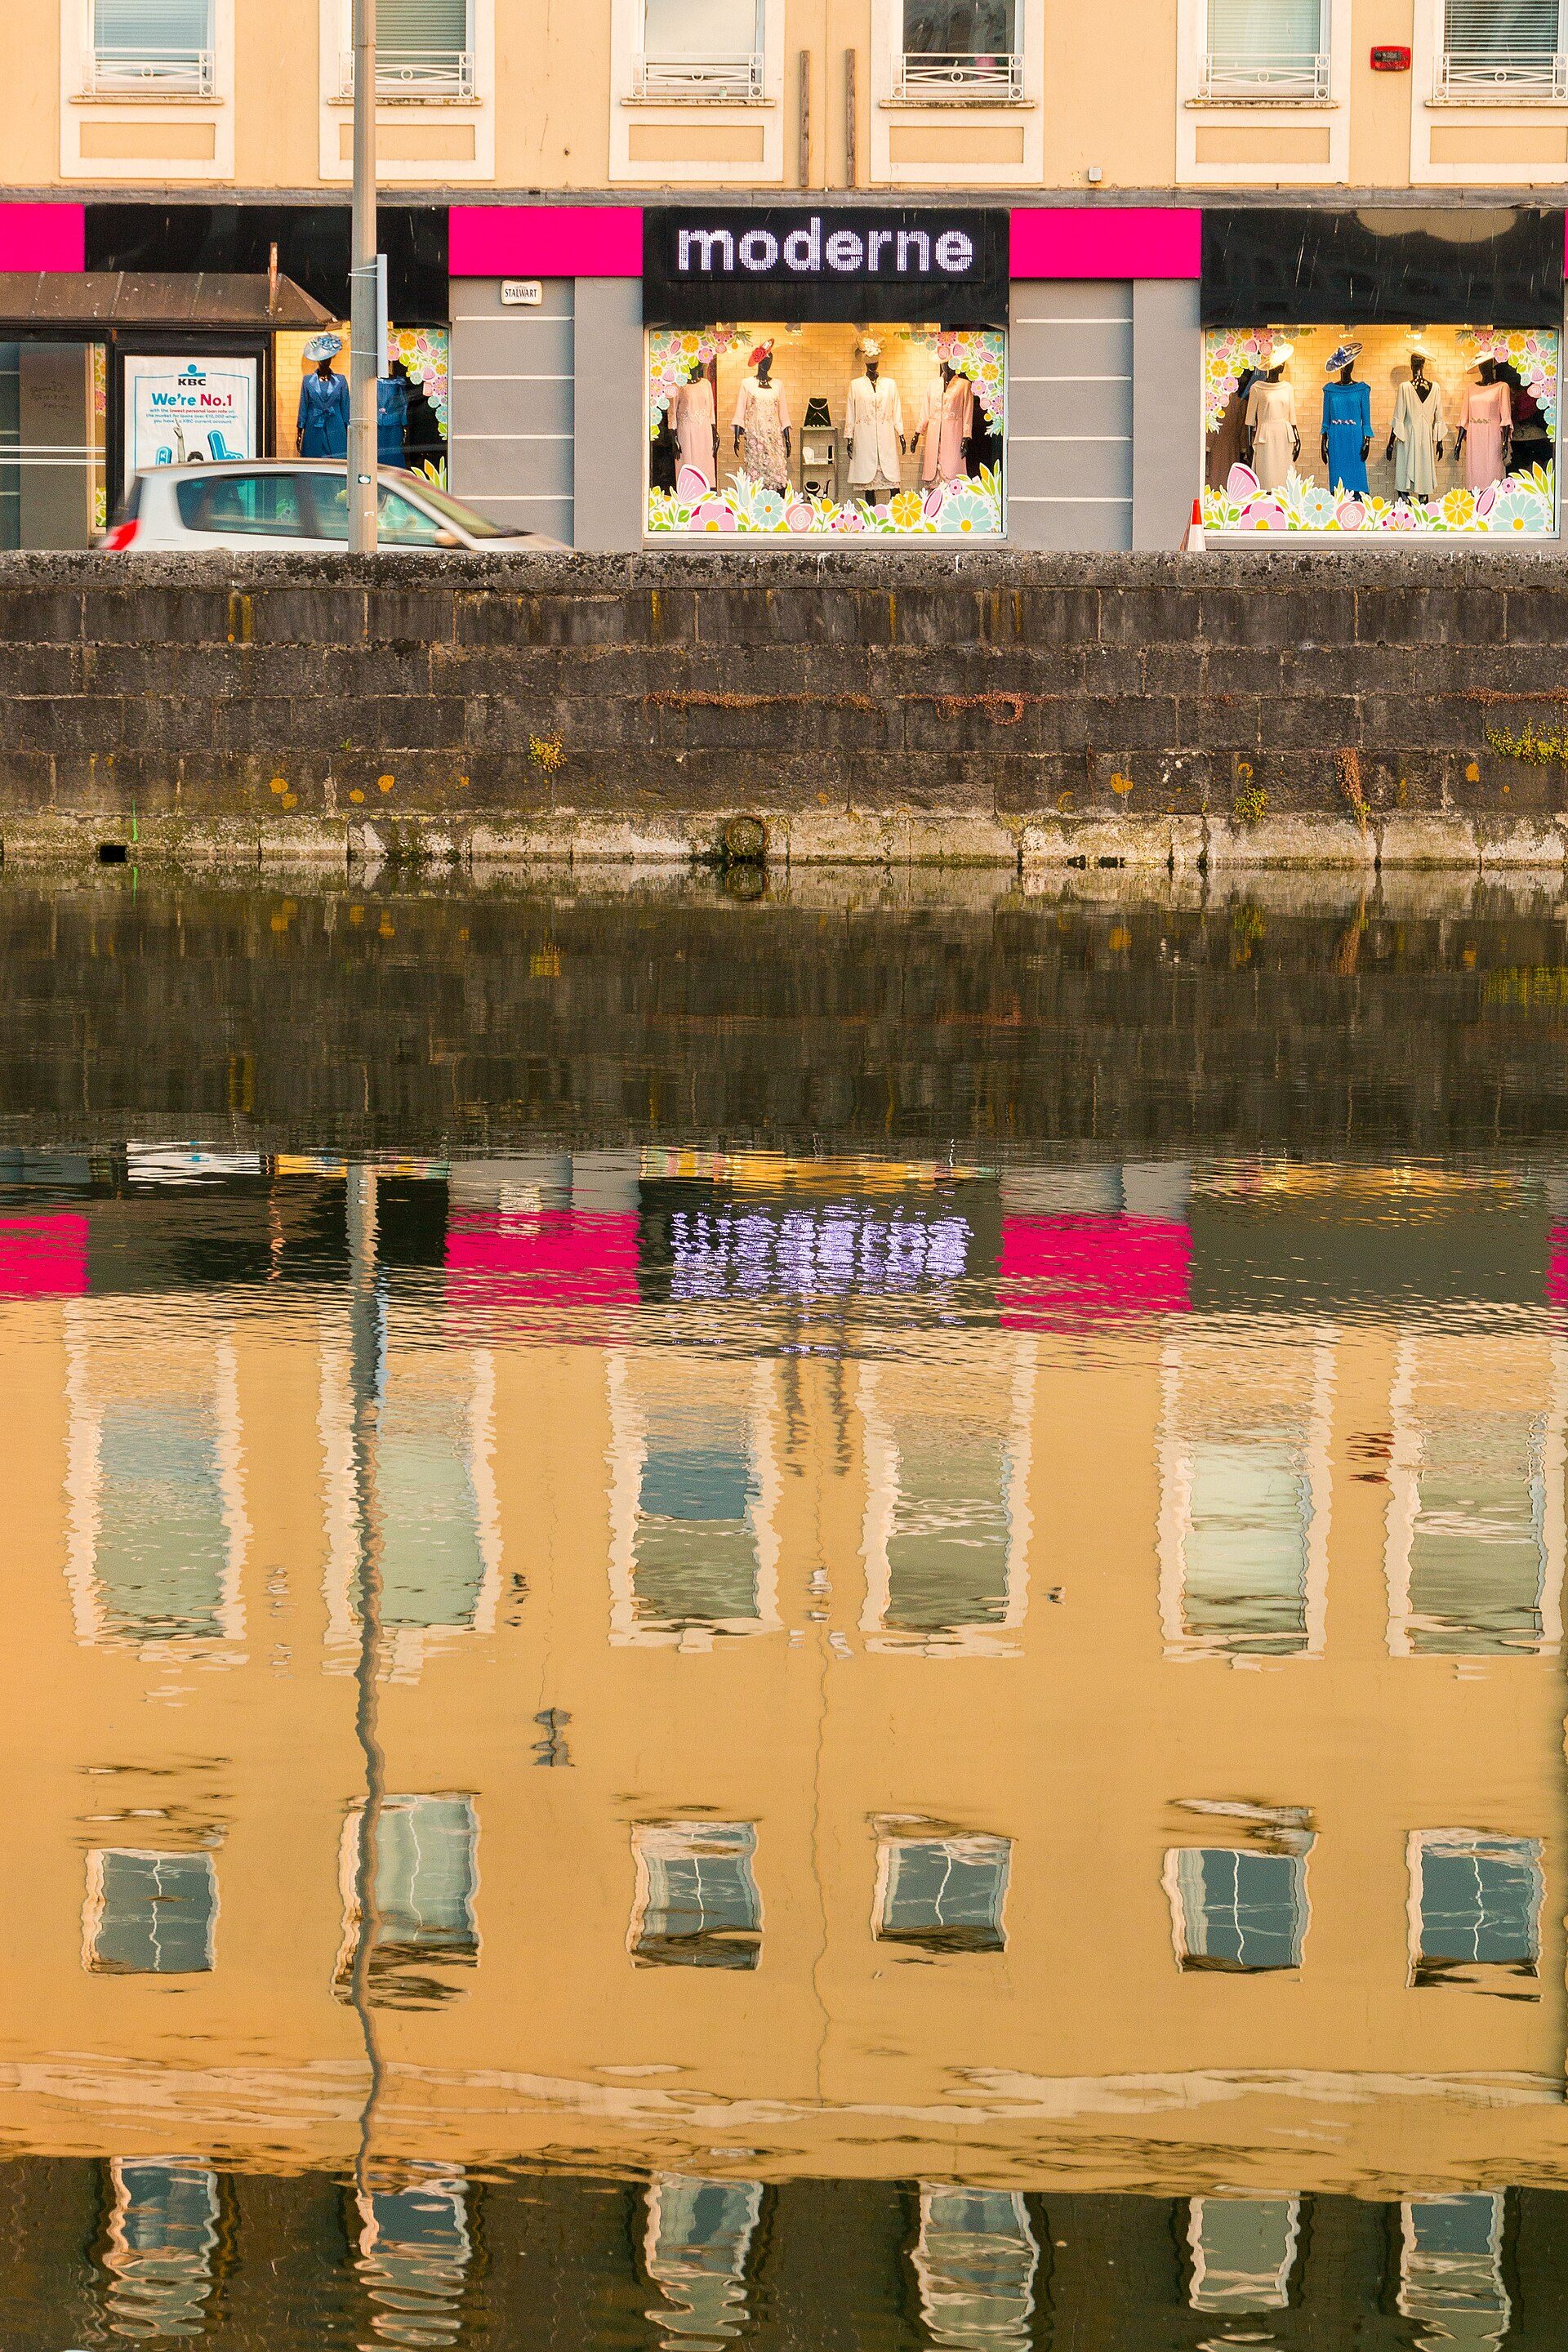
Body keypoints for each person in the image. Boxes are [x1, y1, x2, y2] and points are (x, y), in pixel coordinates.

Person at [297, 340, 350, 457]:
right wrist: (300, 432)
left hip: (336, 428)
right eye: (323, 358)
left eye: (328, 358)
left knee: (338, 462)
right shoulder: (308, 381)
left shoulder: (341, 380)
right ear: (318, 359)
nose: (326, 361)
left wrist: (349, 431)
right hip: (314, 427)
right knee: (313, 461)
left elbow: (346, 407)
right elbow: (303, 407)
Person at [376, 361, 412, 467]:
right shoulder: (371, 381)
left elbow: (404, 402)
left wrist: (404, 423)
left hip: (394, 424)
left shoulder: (397, 382)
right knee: (378, 455)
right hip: (376, 423)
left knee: (393, 455)